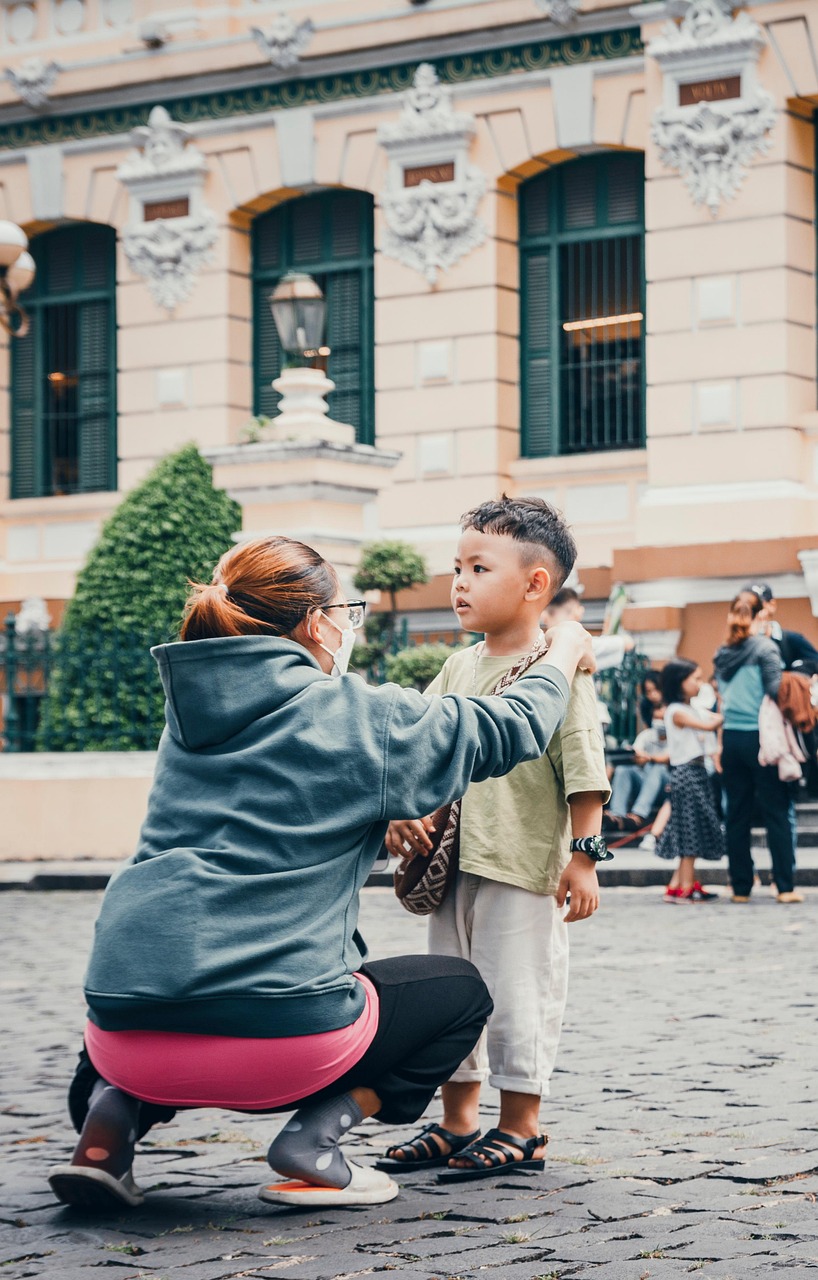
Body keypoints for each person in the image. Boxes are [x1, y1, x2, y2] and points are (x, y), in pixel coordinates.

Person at [47, 534, 597, 1212]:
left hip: (122, 1041)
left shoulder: (187, 718)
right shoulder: (357, 713)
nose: (348, 626)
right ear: (315, 623)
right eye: (347, 610)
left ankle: (109, 1122)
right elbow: (508, 725)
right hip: (284, 1038)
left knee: (153, 989)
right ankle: (315, 1137)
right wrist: (565, 649)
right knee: (458, 990)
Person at [380, 496, 611, 1181]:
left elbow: (585, 769)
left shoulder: (561, 669)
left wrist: (584, 859)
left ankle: (521, 1127)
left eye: (478, 568)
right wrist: (402, 807)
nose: (458, 583)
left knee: (518, 995)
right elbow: (423, 746)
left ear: (536, 584)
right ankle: (457, 1121)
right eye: (457, 567)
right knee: (451, 995)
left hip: (521, 866)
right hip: (454, 866)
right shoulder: (457, 668)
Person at [713, 593, 802, 904]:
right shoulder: (766, 648)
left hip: (732, 740)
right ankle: (785, 886)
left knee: (736, 815)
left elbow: (721, 697)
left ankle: (740, 888)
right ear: (758, 615)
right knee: (776, 811)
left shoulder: (722, 652)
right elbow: (776, 690)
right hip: (762, 739)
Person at [655, 659, 724, 903]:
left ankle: (678, 885)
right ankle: (686, 887)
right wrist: (727, 705)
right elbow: (709, 724)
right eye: (695, 678)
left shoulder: (690, 708)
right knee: (690, 832)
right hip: (687, 774)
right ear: (679, 682)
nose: (699, 683)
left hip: (695, 772)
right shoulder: (676, 711)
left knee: (691, 828)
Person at [603, 704, 670, 836]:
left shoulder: (677, 737)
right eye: (656, 718)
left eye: (662, 718)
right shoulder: (646, 736)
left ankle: (638, 815)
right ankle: (617, 815)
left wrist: (650, 758)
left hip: (666, 786)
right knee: (624, 769)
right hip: (644, 784)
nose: (659, 722)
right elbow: (634, 754)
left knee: (657, 769)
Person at [543, 586, 635, 671]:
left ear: (545, 617)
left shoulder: (537, 648)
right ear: (578, 613)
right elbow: (628, 642)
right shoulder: (580, 645)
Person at [744, 582, 818, 671]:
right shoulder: (739, 646)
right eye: (748, 608)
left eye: (758, 607)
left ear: (772, 605)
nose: (756, 614)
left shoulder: (790, 640)